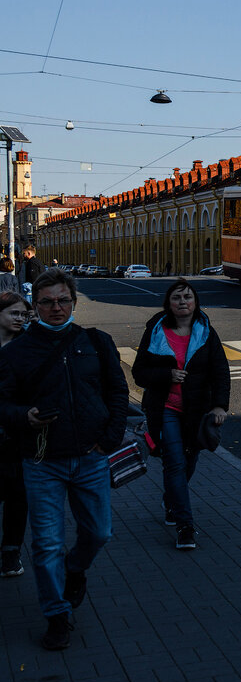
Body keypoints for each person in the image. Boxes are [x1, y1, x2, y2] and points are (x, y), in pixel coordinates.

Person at [0, 269, 128, 651]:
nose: (56, 307)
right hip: (42, 463)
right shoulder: (16, 352)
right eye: (47, 302)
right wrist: (24, 416)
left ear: (73, 301)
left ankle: (75, 569)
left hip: (91, 458)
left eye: (63, 300)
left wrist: (109, 440)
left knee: (99, 533)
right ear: (35, 306)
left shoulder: (96, 342)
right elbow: (2, 404)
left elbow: (118, 393)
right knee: (46, 544)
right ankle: (57, 615)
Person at [132, 279, 230, 552]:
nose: (183, 302)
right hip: (165, 408)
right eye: (177, 297)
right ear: (169, 303)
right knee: (174, 463)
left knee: (189, 460)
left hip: (196, 410)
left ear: (195, 302)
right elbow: (139, 372)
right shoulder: (156, 330)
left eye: (187, 297)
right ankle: (185, 526)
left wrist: (220, 406)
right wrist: (167, 375)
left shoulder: (206, 332)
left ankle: (172, 499)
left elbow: (220, 371)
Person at [0, 292, 32, 578]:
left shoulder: (27, 346)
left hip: (17, 434)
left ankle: (11, 552)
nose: (20, 319)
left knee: (17, 496)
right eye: (14, 313)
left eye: (23, 314)